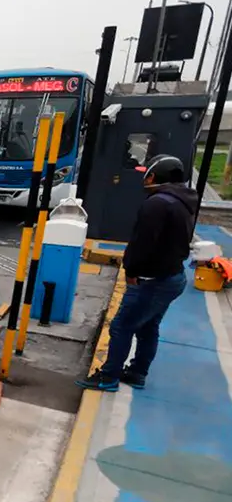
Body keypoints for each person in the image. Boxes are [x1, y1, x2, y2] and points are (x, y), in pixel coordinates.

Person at [77, 155, 196, 392]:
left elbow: (142, 243)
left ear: (154, 176)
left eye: (147, 175)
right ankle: (137, 372)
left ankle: (108, 376)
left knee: (122, 326)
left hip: (151, 280)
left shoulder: (157, 204)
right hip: (172, 276)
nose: (144, 180)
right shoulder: (182, 200)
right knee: (148, 327)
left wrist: (131, 270)